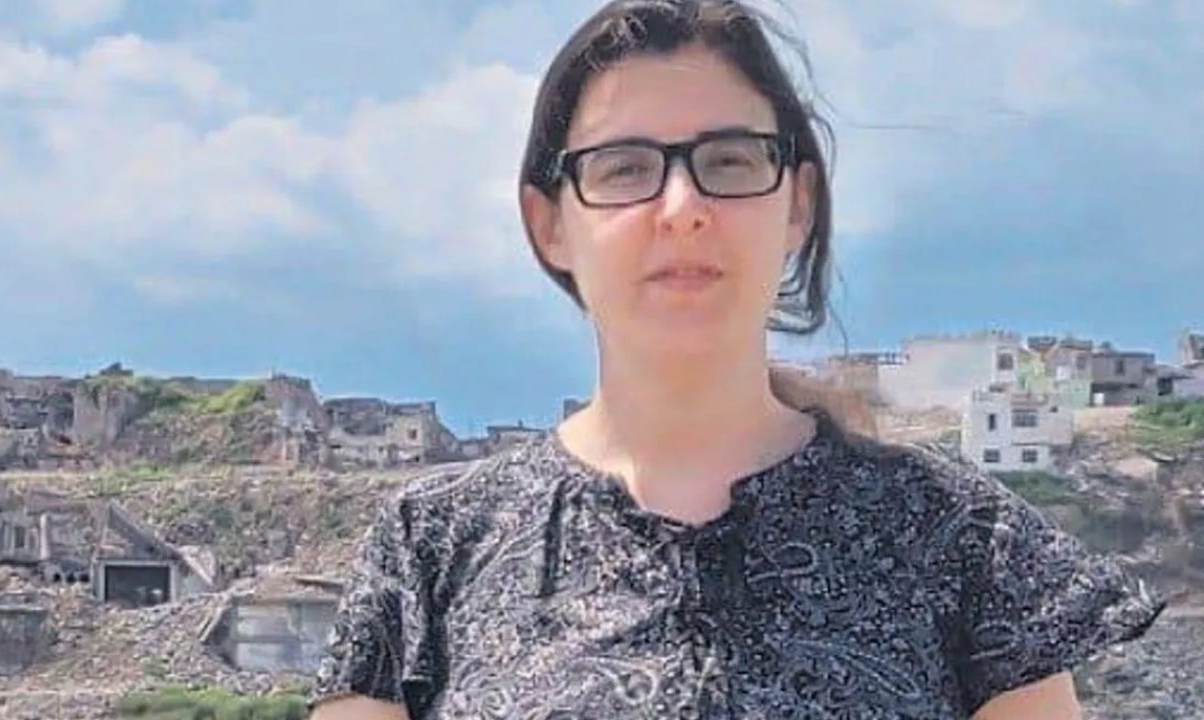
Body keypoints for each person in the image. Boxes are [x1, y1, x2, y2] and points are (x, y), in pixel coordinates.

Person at [309, 1, 1167, 718]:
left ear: (798, 203)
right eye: (625, 168)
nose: (682, 206)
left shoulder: (965, 542)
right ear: (550, 223)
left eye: (728, 161)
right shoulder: (431, 546)